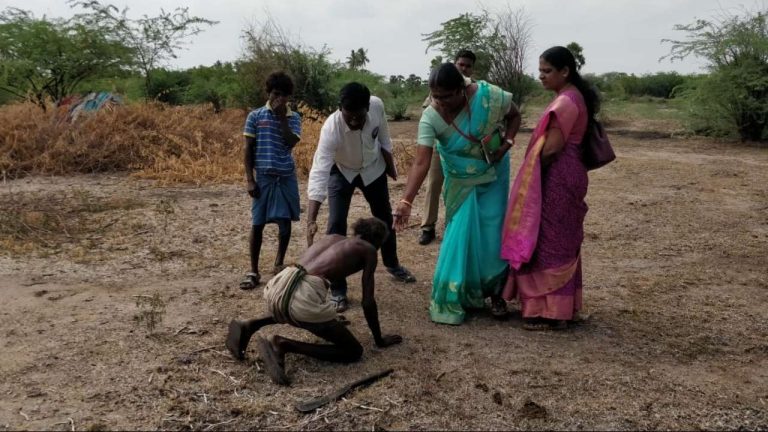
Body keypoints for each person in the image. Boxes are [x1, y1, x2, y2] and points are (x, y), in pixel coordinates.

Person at [393, 63, 521, 325]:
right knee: (461, 234)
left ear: (462, 89)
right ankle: (459, 292)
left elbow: (514, 115)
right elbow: (421, 162)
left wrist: (507, 143)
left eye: (446, 96)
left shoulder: (487, 96)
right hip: (460, 181)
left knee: (492, 235)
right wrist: (406, 200)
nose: (440, 102)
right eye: (435, 96)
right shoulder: (430, 117)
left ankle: (496, 294)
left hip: (493, 174)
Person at [226, 217, 403, 385]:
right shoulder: (369, 250)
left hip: (279, 284)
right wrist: (379, 339)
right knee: (353, 351)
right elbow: (367, 301)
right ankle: (283, 344)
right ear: (378, 242)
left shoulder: (332, 238)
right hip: (302, 296)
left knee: (299, 304)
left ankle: (251, 324)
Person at [500, 46, 599, 330]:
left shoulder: (565, 102)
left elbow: (552, 147)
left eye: (546, 71)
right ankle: (563, 308)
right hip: (572, 171)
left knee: (549, 239)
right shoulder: (574, 96)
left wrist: (531, 172)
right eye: (540, 70)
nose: (541, 76)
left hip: (558, 174)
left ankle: (550, 312)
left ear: (564, 71)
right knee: (563, 237)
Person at [306, 82, 416, 313]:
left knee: (384, 218)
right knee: (335, 226)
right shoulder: (331, 128)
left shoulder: (376, 106)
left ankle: (392, 264)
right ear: (340, 109)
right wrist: (311, 216)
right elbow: (319, 170)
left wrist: (390, 164)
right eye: (350, 116)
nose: (355, 121)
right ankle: (337, 288)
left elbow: (384, 137)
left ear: (368, 107)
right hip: (342, 171)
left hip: (372, 169)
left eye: (360, 115)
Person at [239, 71, 301, 290]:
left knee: (285, 224)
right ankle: (253, 270)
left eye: (285, 96)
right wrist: (250, 180)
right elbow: (248, 149)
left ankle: (278, 263)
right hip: (263, 177)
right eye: (276, 94)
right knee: (257, 224)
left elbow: (291, 142)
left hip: (285, 177)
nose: (280, 99)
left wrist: (282, 117)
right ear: (268, 93)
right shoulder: (255, 117)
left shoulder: (294, 117)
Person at [418, 49, 477, 246]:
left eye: (468, 66)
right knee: (434, 184)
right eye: (461, 64)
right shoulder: (441, 85)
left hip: (466, 151)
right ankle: (428, 227)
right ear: (455, 64)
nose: (464, 68)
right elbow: (429, 112)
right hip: (441, 145)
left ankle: (455, 228)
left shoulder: (476, 90)